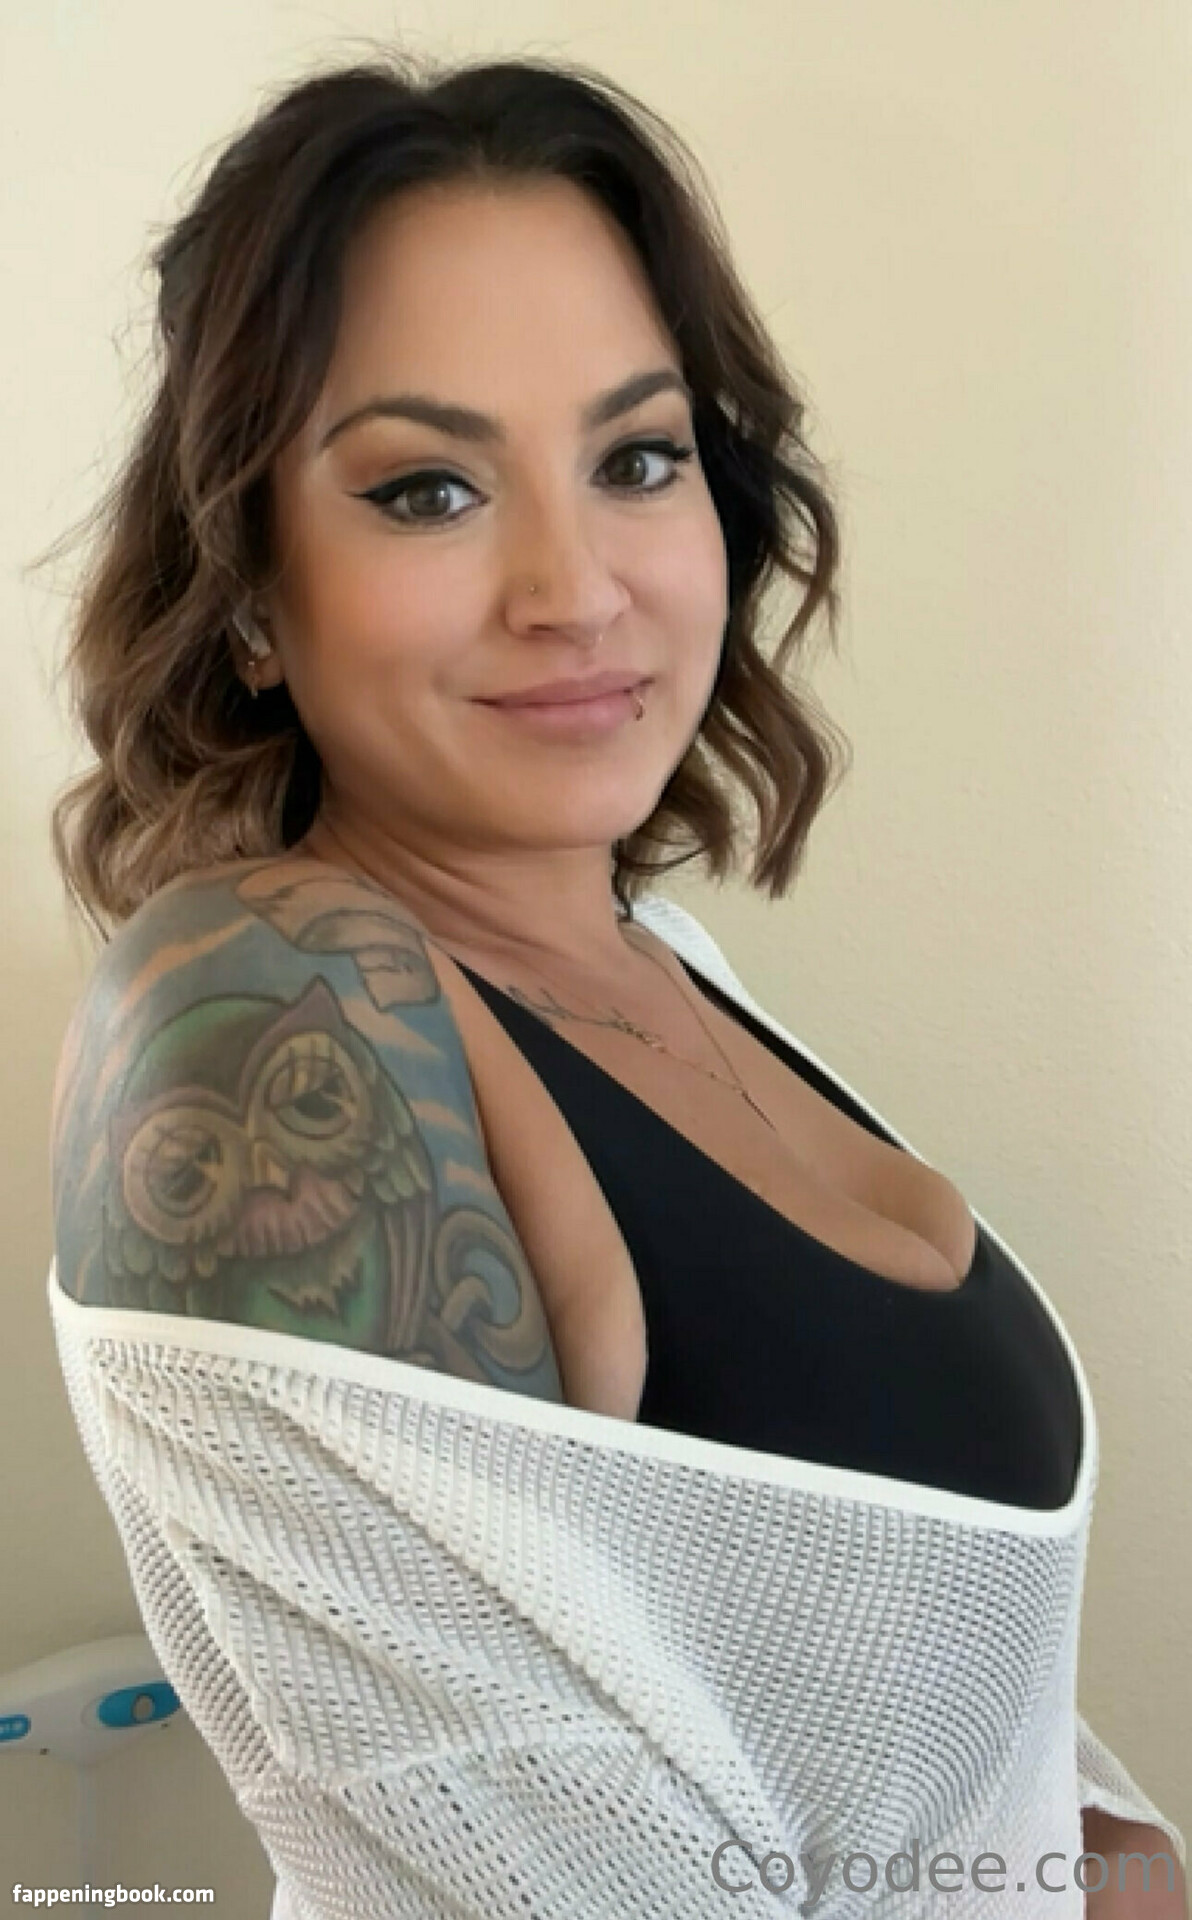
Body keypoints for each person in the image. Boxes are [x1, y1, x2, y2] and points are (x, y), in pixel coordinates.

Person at [44, 50, 1186, 1919]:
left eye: (637, 460)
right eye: (428, 489)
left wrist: (1106, 1848)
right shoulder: (278, 1010)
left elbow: (907, 1689)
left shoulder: (666, 964)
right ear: (247, 590)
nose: (573, 589)